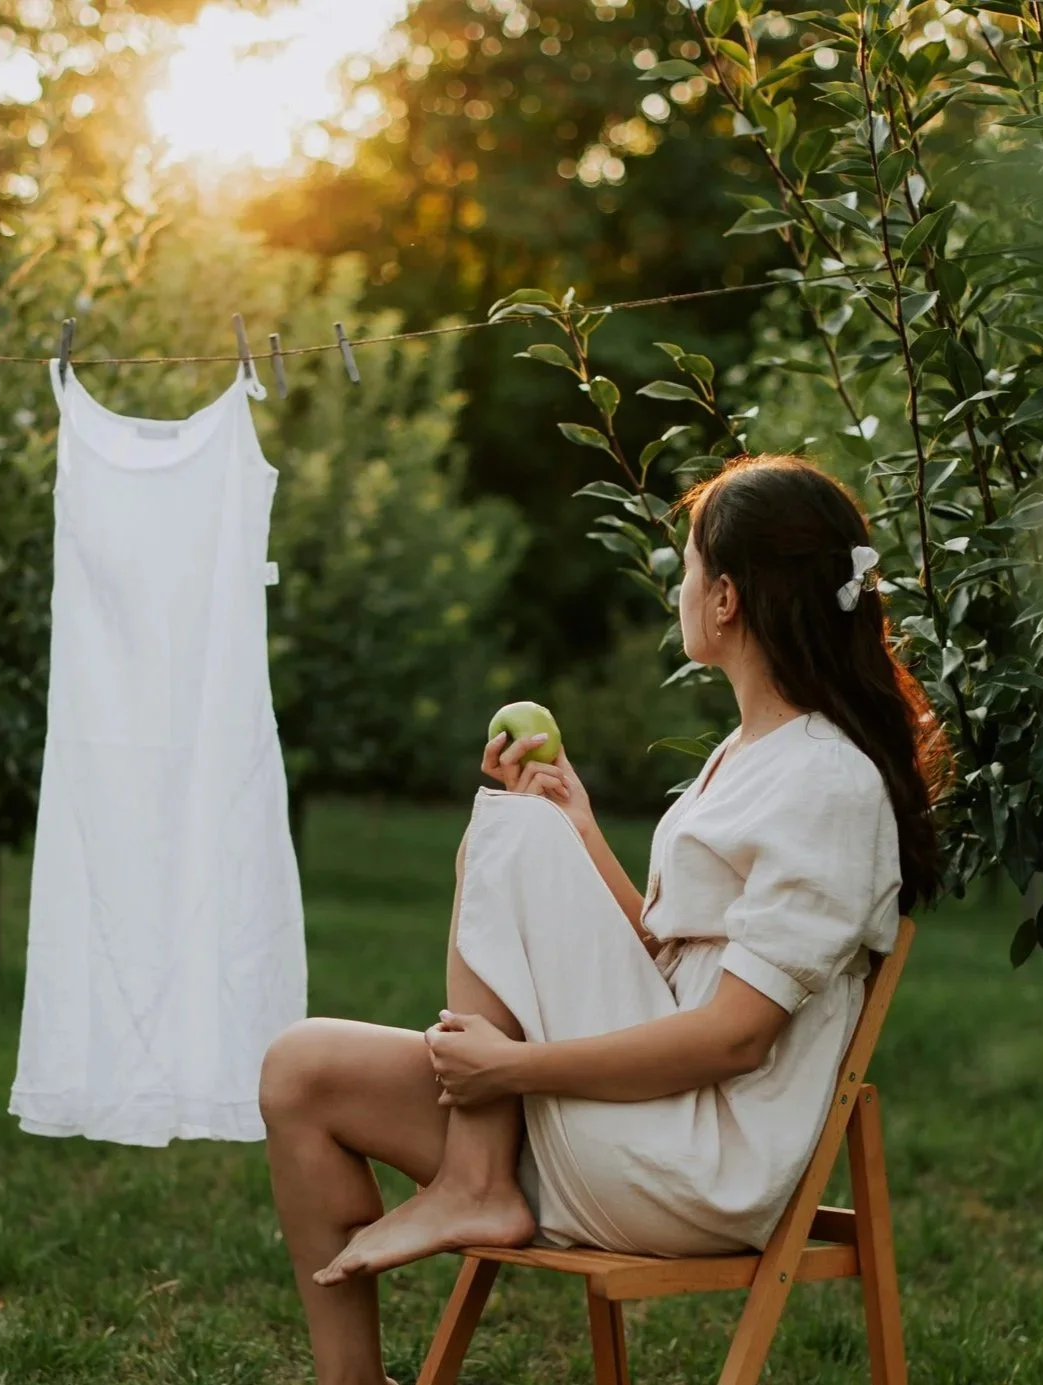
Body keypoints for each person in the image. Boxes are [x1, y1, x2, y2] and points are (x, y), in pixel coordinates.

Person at [257, 454, 950, 1385]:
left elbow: (735, 1038)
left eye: (691, 565)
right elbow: (664, 965)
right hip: (624, 1118)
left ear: (728, 599)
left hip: (692, 1166)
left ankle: (474, 1177)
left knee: (505, 830)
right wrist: (578, 827)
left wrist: (512, 1068)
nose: (684, 585)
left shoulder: (828, 780)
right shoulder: (748, 754)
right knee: (301, 1067)